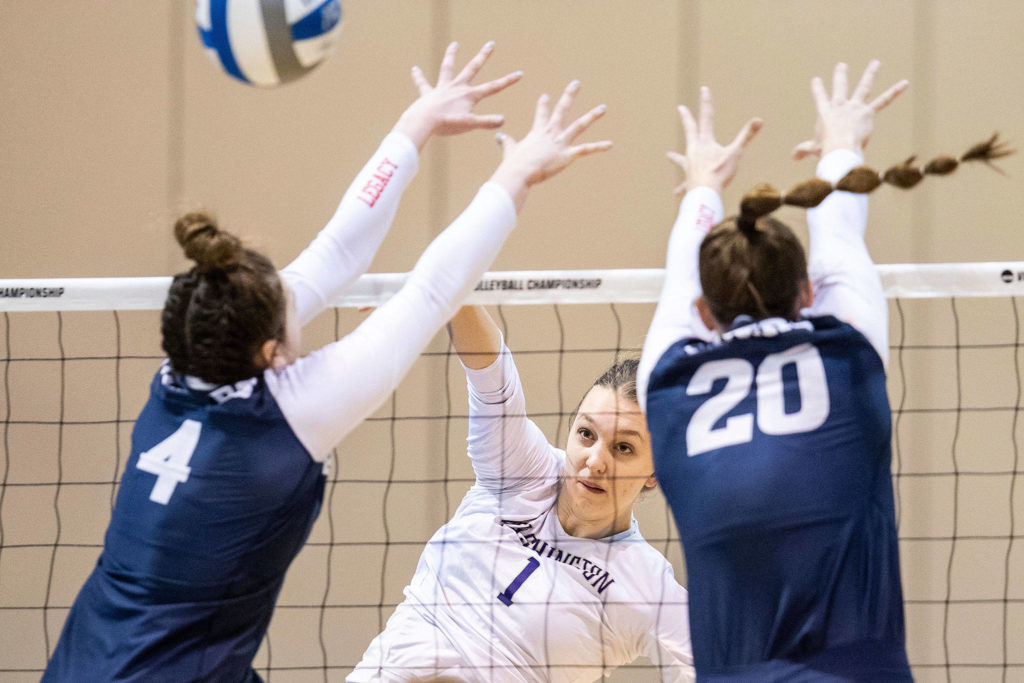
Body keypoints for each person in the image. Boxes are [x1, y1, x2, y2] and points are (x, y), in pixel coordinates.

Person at [43, 42, 611, 682]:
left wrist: (416, 124)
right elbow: (431, 290)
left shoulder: (182, 368)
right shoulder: (287, 416)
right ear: (269, 352)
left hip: (86, 657)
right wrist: (516, 175)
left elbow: (338, 250)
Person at [639, 62, 1011, 681]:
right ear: (808, 291)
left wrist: (703, 185)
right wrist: (843, 144)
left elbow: (681, 274)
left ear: (703, 313)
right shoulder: (846, 354)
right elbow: (838, 231)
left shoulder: (669, 386)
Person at [349, 305, 695, 682]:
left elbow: (715, 666)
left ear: (657, 472)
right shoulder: (523, 471)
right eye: (586, 434)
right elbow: (493, 379)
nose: (594, 461)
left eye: (623, 448)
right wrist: (442, 293)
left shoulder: (646, 584)